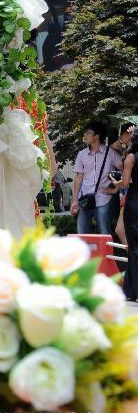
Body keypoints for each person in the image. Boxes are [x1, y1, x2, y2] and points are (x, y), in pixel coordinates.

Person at [71, 120, 122, 234]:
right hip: (85, 200)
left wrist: (115, 189)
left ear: (97, 136)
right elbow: (78, 178)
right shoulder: (82, 154)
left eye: (88, 132)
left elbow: (124, 171)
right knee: (82, 234)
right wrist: (75, 200)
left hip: (104, 199)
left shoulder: (110, 153)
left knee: (105, 234)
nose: (85, 135)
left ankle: (105, 253)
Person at [114, 141, 137, 300]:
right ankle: (129, 289)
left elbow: (126, 182)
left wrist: (116, 183)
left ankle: (133, 289)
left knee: (134, 246)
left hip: (135, 202)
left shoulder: (131, 158)